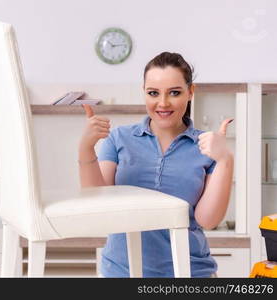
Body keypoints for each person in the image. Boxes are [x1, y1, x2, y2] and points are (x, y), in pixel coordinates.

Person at [78, 52, 234, 277]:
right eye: (153, 93)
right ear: (144, 92)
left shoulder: (206, 146)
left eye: (174, 92)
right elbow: (98, 206)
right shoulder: (119, 139)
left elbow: (207, 220)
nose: (163, 103)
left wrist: (225, 159)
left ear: (190, 92)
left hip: (190, 272)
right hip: (122, 272)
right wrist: (85, 148)